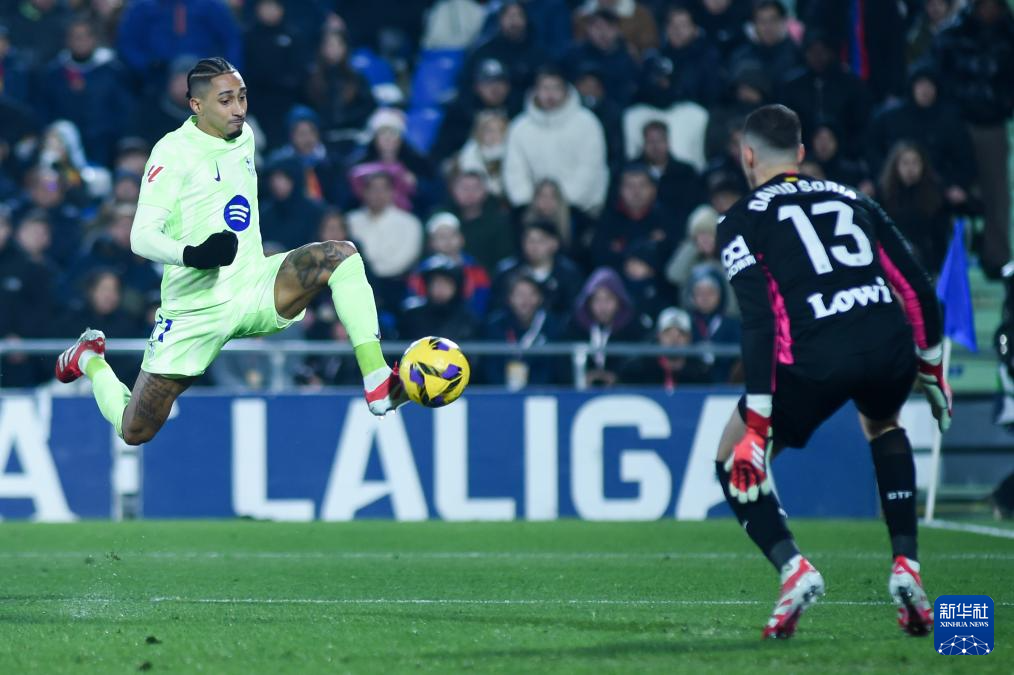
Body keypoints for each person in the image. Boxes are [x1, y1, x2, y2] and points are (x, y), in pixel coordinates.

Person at [54, 57, 411, 447]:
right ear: (197, 105)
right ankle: (89, 358)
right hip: (195, 310)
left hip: (253, 284)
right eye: (225, 100)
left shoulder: (245, 137)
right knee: (134, 430)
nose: (238, 108)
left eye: (242, 97)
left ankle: (377, 379)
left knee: (340, 256)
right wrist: (195, 255)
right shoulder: (172, 153)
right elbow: (141, 237)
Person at [713, 104, 950, 639]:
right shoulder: (854, 198)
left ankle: (793, 569)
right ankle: (907, 566)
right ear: (800, 153)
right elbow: (917, 285)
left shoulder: (738, 220)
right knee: (883, 424)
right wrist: (932, 368)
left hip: (815, 353)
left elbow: (758, 321)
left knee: (731, 459)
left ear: (747, 156)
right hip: (886, 343)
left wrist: (757, 423)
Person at [932, 0, 1014, 278]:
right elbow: (939, 74)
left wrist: (1004, 103)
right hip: (956, 123)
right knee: (951, 187)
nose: (989, 10)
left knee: (996, 194)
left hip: (992, 123)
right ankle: (947, 253)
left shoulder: (1008, 35)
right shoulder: (952, 35)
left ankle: (997, 258)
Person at [503, 65, 609, 217]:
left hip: (581, 210)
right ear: (535, 90)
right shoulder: (520, 127)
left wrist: (562, 205)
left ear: (566, 90)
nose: (550, 94)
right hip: (532, 212)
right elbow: (515, 172)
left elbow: (590, 170)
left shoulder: (587, 123)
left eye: (556, 88)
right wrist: (530, 204)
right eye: (545, 88)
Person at [878, 142, 952, 277]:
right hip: (890, 263)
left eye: (915, 163)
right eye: (905, 163)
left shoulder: (935, 196)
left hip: (926, 263)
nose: (910, 169)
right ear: (895, 166)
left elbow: (940, 238)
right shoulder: (882, 195)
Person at [482, 272, 566, 388]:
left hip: (542, 392)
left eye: (531, 294)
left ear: (540, 298)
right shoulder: (495, 326)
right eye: (519, 295)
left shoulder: (552, 326)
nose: (525, 301)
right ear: (509, 298)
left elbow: (556, 368)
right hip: (500, 391)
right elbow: (490, 366)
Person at [567, 266, 645, 387]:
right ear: (588, 302)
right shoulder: (574, 328)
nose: (602, 306)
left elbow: (639, 366)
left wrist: (618, 378)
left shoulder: (634, 330)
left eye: (609, 299)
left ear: (619, 301)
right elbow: (562, 365)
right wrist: (582, 377)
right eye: (597, 299)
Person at [491, 220, 583, 317]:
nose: (534, 247)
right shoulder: (507, 272)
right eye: (530, 241)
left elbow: (573, 310)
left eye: (540, 241)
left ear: (554, 244)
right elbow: (497, 308)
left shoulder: (569, 274)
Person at [619, 306, 711, 389]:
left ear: (689, 338)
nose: (674, 340)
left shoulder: (700, 372)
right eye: (668, 333)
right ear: (659, 336)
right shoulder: (641, 370)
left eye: (681, 334)